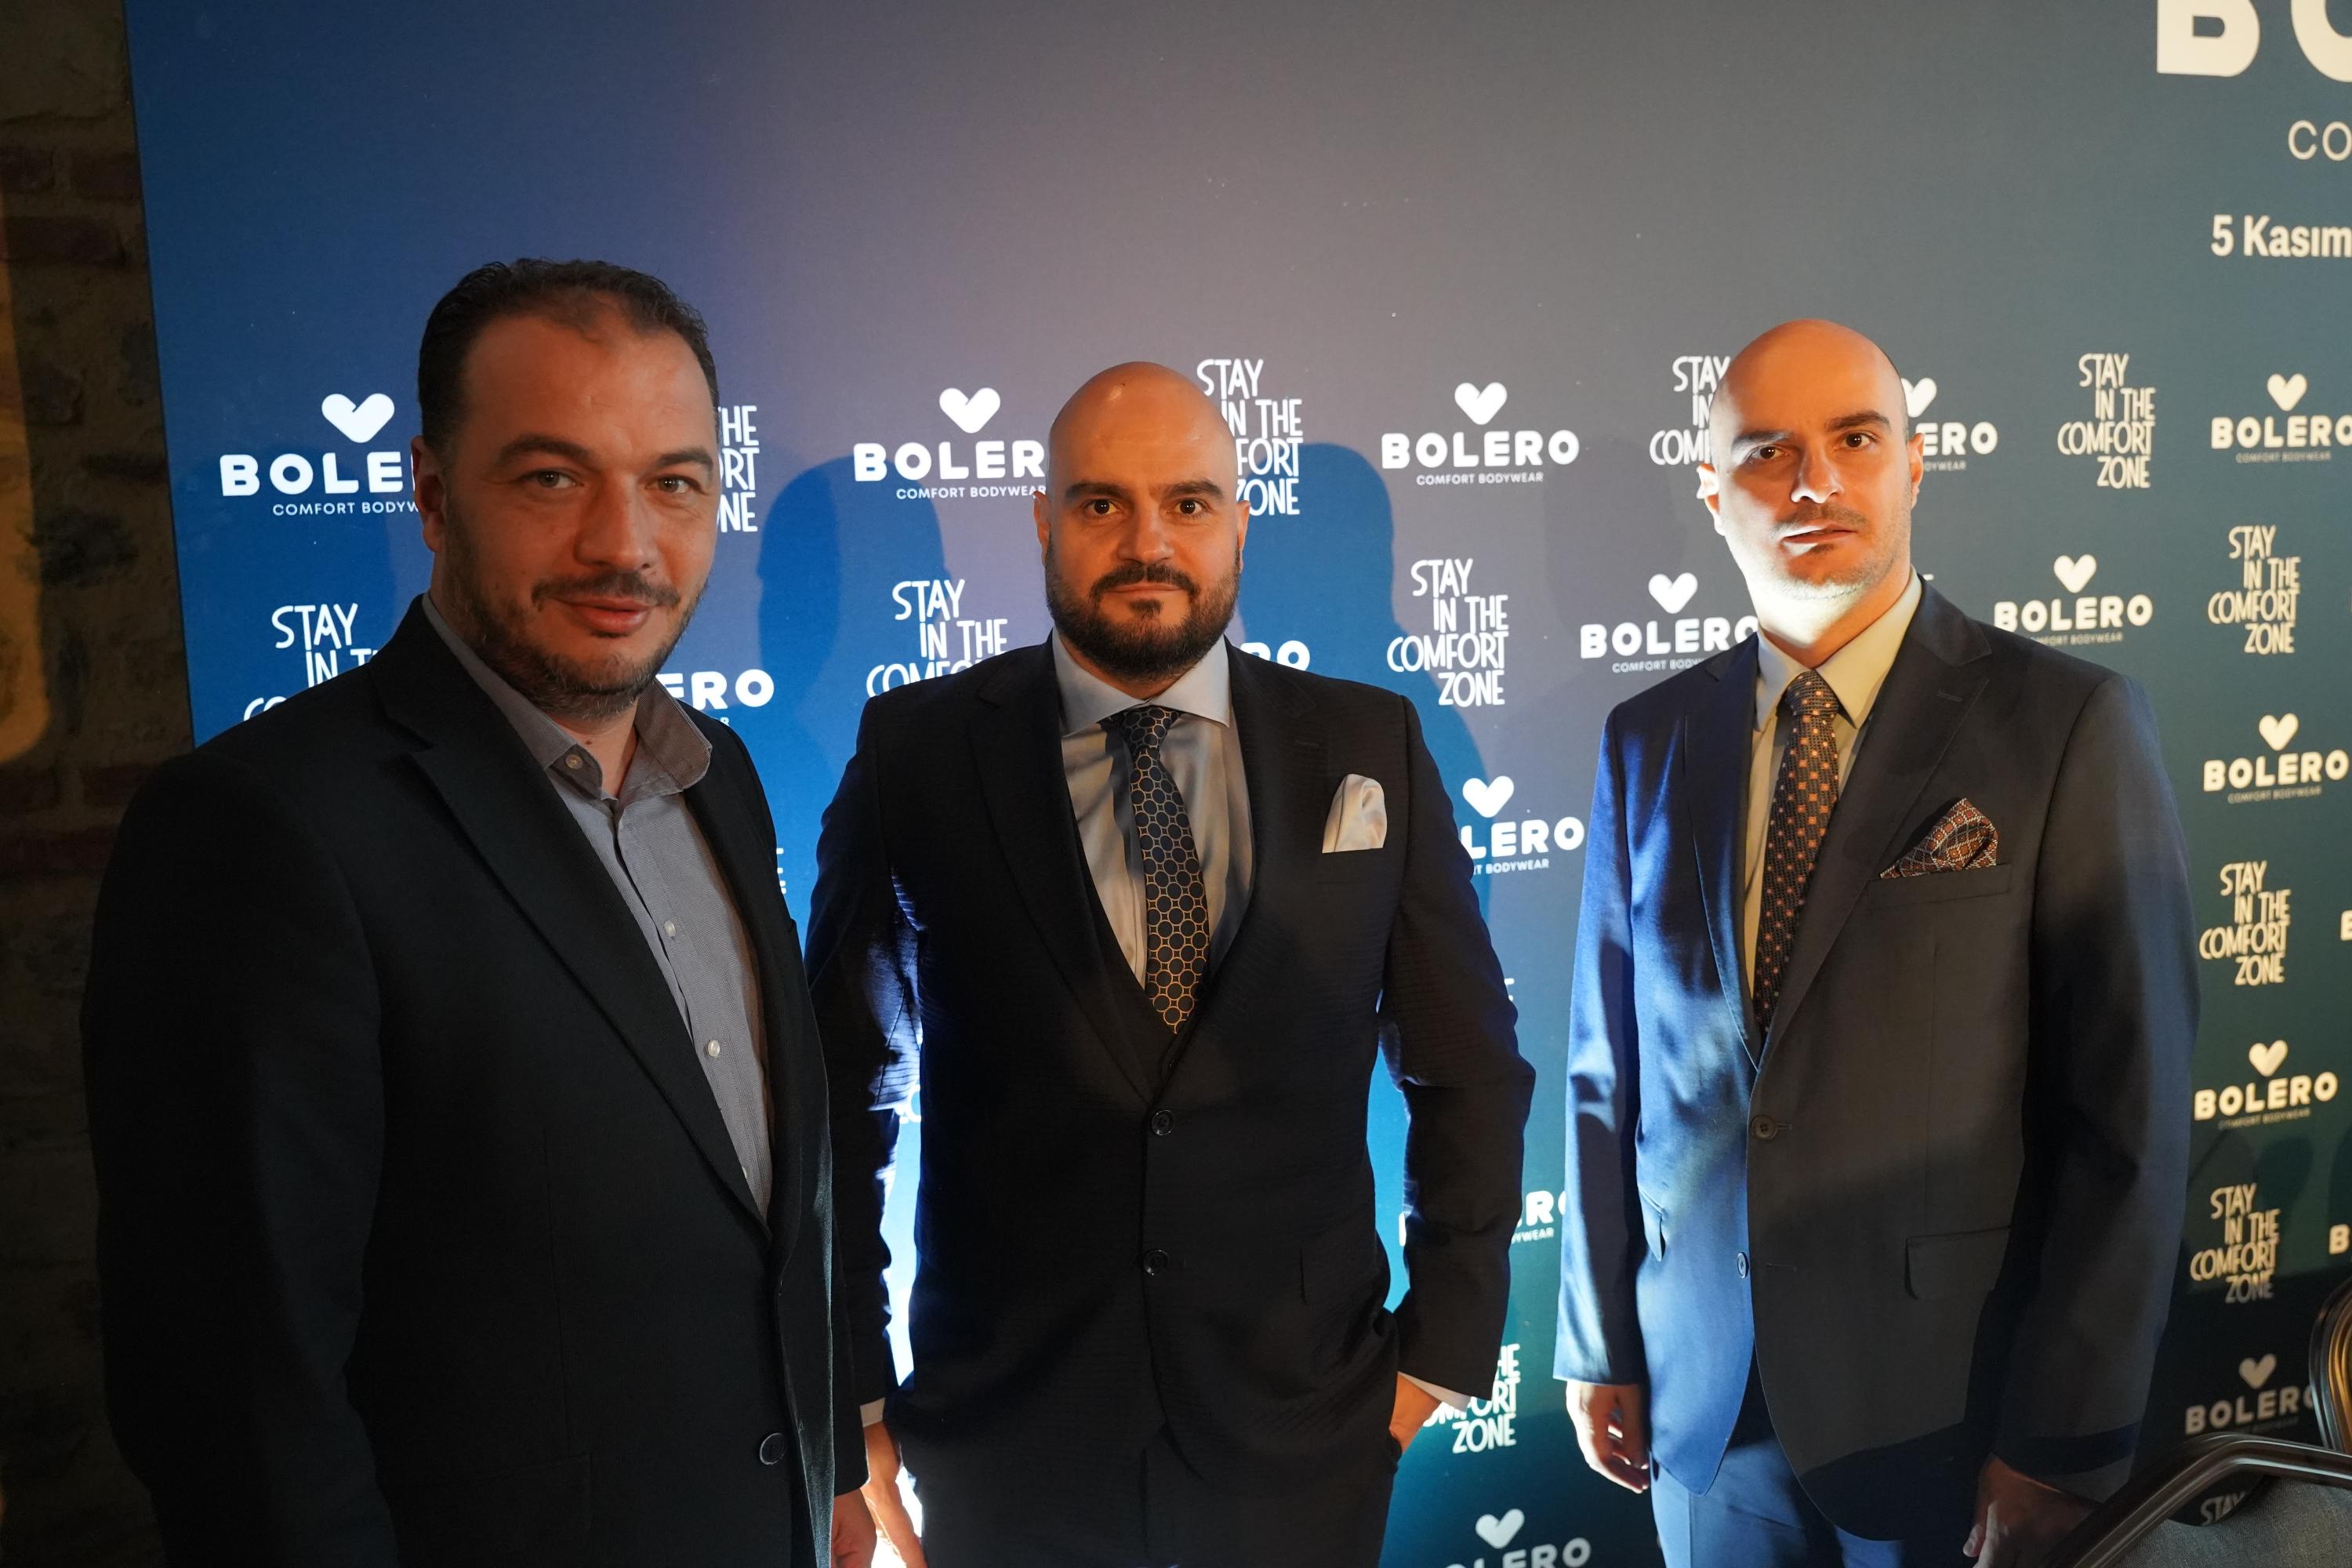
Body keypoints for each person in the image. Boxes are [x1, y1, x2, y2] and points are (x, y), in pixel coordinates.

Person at [83, 260, 872, 1567]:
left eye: (674, 483)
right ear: (435, 495)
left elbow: (769, 1210)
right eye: (554, 478)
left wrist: (829, 1471)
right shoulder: (263, 830)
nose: (624, 545)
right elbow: (236, 1403)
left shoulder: (719, 775)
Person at [808, 361, 1533, 1567]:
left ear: (1239, 523)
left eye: (1187, 504)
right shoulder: (916, 754)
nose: (1148, 543)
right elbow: (839, 1100)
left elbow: (1467, 1070)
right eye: (1102, 504)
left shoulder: (1373, 744)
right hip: (1006, 1444)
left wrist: (1436, 1361)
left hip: (1305, 1437)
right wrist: (857, 1394)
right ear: (1043, 522)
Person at [1554, 320, 2196, 1567]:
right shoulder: (1650, 739)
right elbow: (1603, 1071)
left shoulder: (2066, 722)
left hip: (1953, 1419)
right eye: (1768, 452)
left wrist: (2063, 1441)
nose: (1814, 481)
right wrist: (1597, 1337)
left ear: (1914, 464)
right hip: (1705, 1413)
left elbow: (2130, 1115)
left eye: (1854, 439)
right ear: (1712, 491)